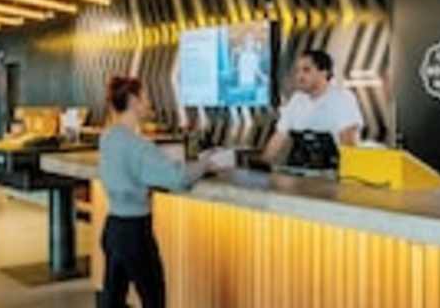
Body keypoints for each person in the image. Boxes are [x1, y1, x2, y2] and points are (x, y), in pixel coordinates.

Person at [98, 76, 231, 308]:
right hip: (135, 233)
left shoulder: (108, 138)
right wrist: (206, 163)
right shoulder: (138, 146)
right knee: (153, 299)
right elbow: (177, 179)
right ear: (133, 101)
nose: (149, 102)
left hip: (112, 229)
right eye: (145, 97)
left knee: (112, 299)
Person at [261, 50, 364, 163]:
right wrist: (263, 165)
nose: (299, 76)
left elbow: (349, 141)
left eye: (306, 70)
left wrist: (348, 169)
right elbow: (279, 137)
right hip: (302, 167)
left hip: (335, 169)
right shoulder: (297, 99)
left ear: (324, 72)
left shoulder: (342, 98)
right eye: (297, 71)